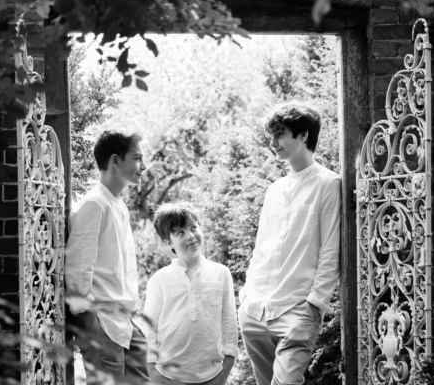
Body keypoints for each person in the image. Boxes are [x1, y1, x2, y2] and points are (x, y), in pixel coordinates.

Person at [239, 103, 341, 385]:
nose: (272, 144)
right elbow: (261, 249)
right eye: (271, 136)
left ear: (304, 135)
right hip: (255, 310)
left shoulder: (328, 184)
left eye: (279, 134)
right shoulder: (274, 190)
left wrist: (315, 304)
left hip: (297, 311)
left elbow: (331, 249)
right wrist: (246, 295)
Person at [64, 130, 148, 381]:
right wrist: (91, 323)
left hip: (124, 320)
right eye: (137, 158)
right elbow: (78, 268)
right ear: (115, 160)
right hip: (102, 323)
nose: (143, 166)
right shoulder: (94, 204)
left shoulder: (118, 205)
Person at [144, 202, 238, 385]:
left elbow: (229, 324)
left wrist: (225, 370)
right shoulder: (159, 280)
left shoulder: (221, 273)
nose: (190, 236)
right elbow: (149, 328)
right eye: (180, 232)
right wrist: (153, 372)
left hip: (212, 376)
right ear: (167, 241)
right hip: (167, 377)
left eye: (193, 228)